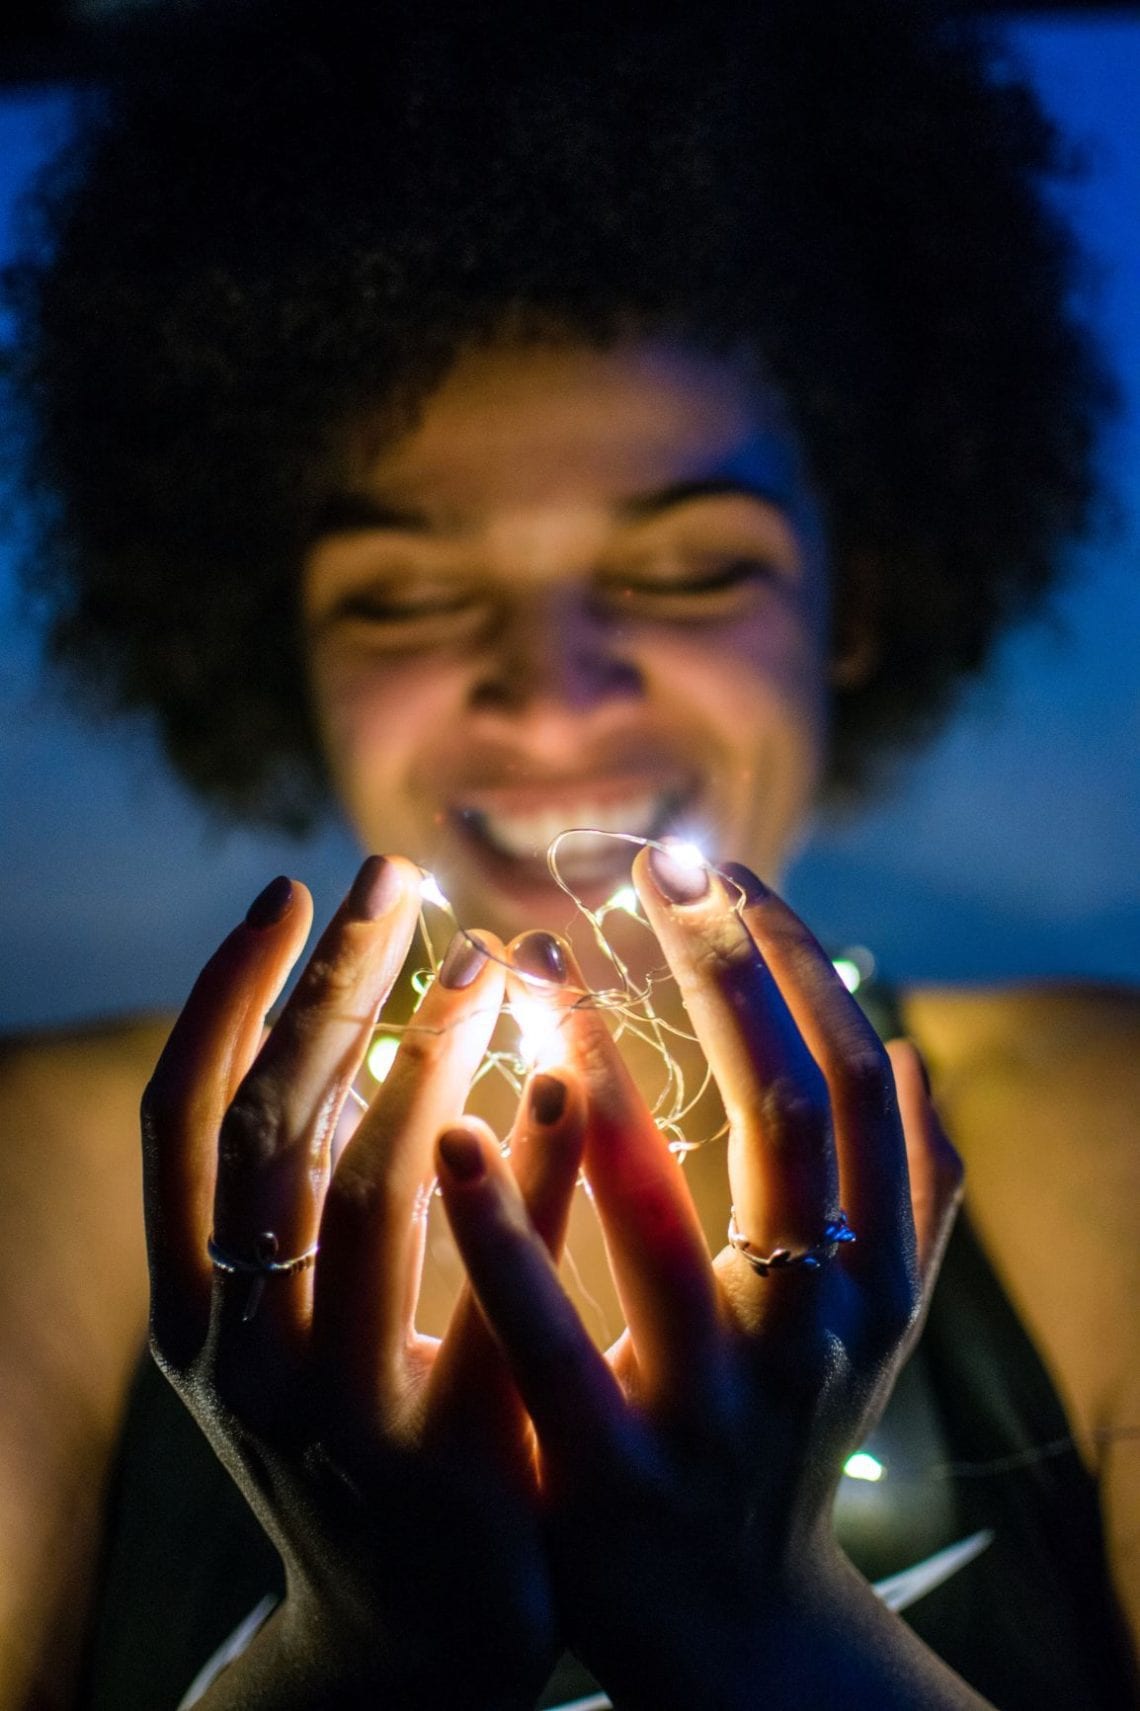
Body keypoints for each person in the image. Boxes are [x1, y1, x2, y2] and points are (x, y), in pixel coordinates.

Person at [1, 2, 1136, 1707]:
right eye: (405, 593)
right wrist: (365, 1649)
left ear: (861, 601)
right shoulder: (57, 1177)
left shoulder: (1100, 1131)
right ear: (277, 644)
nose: (553, 694)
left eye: (690, 569)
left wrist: (759, 1613)